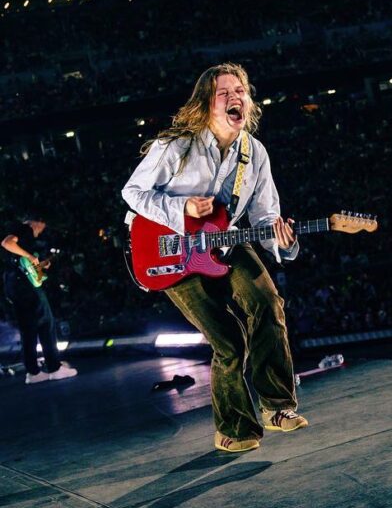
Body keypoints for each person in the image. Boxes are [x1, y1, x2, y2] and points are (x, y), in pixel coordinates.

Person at [122, 63, 308, 452]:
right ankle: (235, 429)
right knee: (228, 342)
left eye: (240, 90)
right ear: (208, 104)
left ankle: (277, 407)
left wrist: (283, 239)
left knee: (268, 302)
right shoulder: (177, 146)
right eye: (224, 92)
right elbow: (133, 193)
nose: (234, 97)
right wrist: (182, 208)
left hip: (226, 240)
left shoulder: (254, 153)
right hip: (169, 248)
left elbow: (265, 215)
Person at [1, 217, 78, 384]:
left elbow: (23, 263)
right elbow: (7, 243)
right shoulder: (25, 229)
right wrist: (30, 256)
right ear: (36, 222)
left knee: (28, 329)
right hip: (25, 287)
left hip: (12, 285)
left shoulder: (19, 233)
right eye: (41, 227)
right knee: (46, 323)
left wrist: (40, 265)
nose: (41, 231)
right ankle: (54, 368)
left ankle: (33, 373)